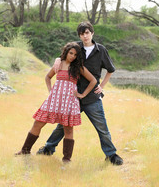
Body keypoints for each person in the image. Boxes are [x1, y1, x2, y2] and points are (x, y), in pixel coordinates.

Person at [37, 21, 123, 166]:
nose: (85, 36)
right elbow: (62, 58)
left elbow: (110, 70)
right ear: (79, 35)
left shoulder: (101, 50)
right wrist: (57, 59)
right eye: (82, 34)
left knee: (101, 126)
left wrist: (101, 86)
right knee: (63, 126)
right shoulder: (76, 47)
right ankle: (48, 148)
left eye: (87, 32)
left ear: (92, 33)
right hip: (71, 97)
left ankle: (111, 155)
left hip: (91, 97)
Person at [15, 42, 97, 162]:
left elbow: (93, 80)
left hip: (69, 102)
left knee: (68, 130)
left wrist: (82, 94)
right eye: (71, 53)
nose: (72, 56)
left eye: (75, 55)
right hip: (54, 100)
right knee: (38, 123)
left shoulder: (78, 67)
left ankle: (66, 159)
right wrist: (50, 91)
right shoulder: (59, 64)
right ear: (66, 52)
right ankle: (25, 150)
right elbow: (48, 77)